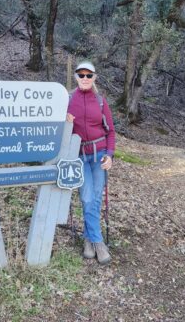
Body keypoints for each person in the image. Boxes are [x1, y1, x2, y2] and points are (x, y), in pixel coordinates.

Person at [66, 60, 116, 265]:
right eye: (81, 75)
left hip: (99, 155)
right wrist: (65, 122)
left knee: (95, 199)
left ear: (94, 78)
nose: (85, 78)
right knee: (87, 199)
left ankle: (88, 240)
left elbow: (111, 131)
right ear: (76, 77)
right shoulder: (67, 100)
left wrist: (110, 155)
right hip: (79, 156)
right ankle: (98, 242)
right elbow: (58, 132)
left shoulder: (101, 101)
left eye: (89, 75)